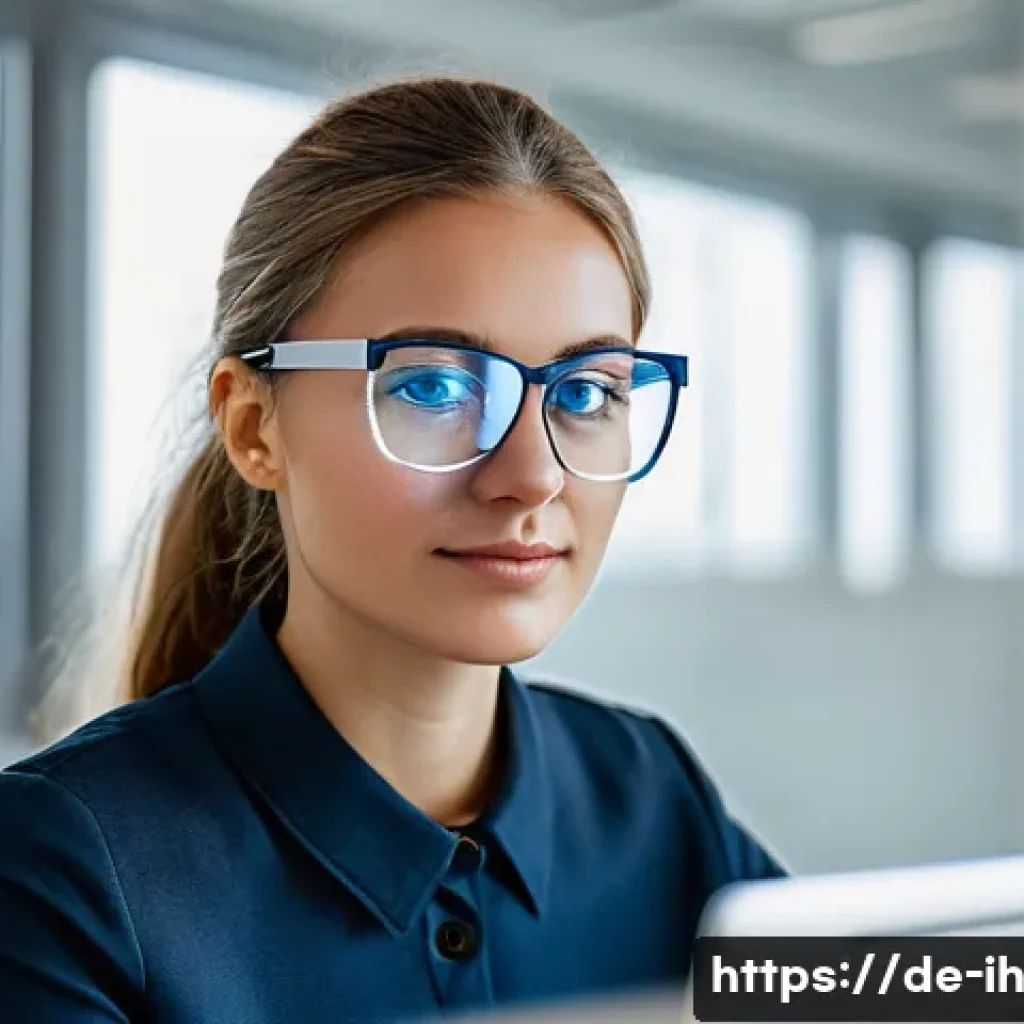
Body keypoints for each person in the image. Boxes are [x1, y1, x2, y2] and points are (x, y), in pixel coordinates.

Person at [0, 76, 784, 1022]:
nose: (531, 477)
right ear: (255, 428)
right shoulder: (61, 868)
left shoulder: (652, 798)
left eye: (585, 394)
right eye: (433, 389)